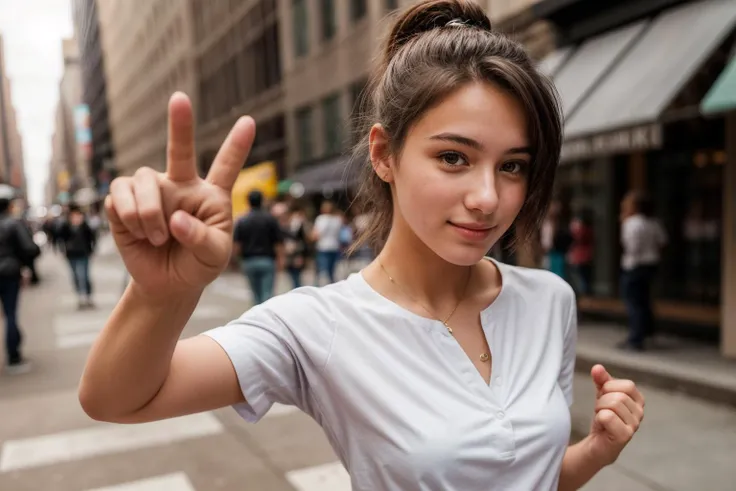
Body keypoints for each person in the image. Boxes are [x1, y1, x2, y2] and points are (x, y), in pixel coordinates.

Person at [79, 2, 645, 490]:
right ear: (383, 154)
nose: (487, 197)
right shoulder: (315, 326)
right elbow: (115, 399)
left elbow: (531, 480)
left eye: (514, 166)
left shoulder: (550, 299)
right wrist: (164, 294)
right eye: (454, 157)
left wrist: (594, 451)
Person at [619, 190, 667, 351]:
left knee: (634, 303)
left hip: (634, 266)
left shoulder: (631, 223)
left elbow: (632, 247)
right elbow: (662, 242)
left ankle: (635, 338)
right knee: (645, 300)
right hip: (651, 265)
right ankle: (648, 333)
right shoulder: (654, 223)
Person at [0, 195, 40, 373]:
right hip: (9, 273)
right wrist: (24, 264)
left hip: (10, 271)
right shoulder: (13, 224)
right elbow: (29, 248)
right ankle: (13, 355)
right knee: (10, 313)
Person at [233, 190, 283, 305]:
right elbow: (278, 242)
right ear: (262, 201)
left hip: (249, 261)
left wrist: (236, 261)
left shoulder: (242, 220)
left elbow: (237, 244)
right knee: (267, 295)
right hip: (267, 260)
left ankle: (257, 318)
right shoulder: (270, 219)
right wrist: (281, 259)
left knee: (255, 295)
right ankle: (267, 320)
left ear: (248, 202)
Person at [58, 203, 97, 309]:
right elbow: (61, 238)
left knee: (84, 275)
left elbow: (92, 237)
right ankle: (80, 296)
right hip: (72, 254)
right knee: (75, 276)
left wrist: (91, 249)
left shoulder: (85, 225)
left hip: (83, 253)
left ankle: (87, 296)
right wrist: (63, 250)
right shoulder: (66, 225)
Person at [311, 200, 343, 284]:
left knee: (322, 270)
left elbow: (316, 235)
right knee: (332, 272)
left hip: (323, 247)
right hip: (334, 246)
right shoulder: (337, 219)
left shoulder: (321, 219)